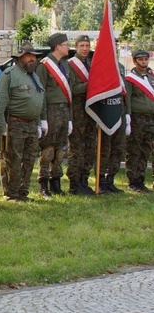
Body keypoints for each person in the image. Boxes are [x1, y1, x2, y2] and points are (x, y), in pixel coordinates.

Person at [0, 43, 45, 201]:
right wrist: (1, 128)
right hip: (15, 124)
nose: (32, 59)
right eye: (29, 56)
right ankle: (11, 192)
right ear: (20, 57)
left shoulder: (34, 76)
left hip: (30, 124)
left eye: (34, 56)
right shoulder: (9, 75)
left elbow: (36, 101)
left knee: (29, 159)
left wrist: (38, 123)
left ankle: (23, 192)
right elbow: (0, 104)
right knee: (13, 159)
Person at [36, 32, 71, 198]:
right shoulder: (44, 65)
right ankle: (43, 183)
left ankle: (56, 181)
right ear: (58, 46)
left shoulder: (65, 65)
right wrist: (42, 118)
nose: (68, 46)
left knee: (60, 148)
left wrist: (69, 118)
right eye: (66, 44)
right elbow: (40, 92)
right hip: (50, 111)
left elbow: (68, 92)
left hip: (64, 111)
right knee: (48, 149)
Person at [64, 35, 96, 195]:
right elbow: (72, 89)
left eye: (87, 45)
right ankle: (75, 183)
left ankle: (84, 180)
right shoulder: (70, 65)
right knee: (76, 148)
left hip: (91, 112)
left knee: (89, 147)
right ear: (75, 47)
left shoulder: (91, 64)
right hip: (77, 113)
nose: (85, 48)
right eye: (82, 45)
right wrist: (91, 85)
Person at [124, 50, 154, 193]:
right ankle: (133, 181)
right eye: (140, 59)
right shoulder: (130, 78)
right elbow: (127, 98)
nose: (143, 61)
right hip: (137, 118)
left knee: (145, 149)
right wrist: (128, 116)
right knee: (134, 149)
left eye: (145, 59)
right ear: (134, 61)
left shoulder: (151, 77)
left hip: (151, 118)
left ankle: (141, 180)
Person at [98, 59, 127, 193]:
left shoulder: (120, 66)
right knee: (105, 149)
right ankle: (101, 180)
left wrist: (127, 113)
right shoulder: (100, 65)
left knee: (118, 147)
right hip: (106, 111)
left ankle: (110, 179)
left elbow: (124, 92)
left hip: (119, 109)